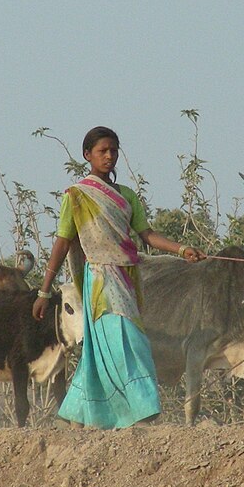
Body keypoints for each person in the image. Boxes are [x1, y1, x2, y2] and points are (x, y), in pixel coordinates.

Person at [32, 126, 206, 429]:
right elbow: (62, 242)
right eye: (103, 151)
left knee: (120, 343)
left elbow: (147, 236)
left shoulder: (127, 196)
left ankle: (81, 414)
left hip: (128, 279)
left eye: (114, 150)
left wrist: (183, 249)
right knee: (123, 341)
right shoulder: (76, 196)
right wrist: (44, 292)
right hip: (99, 280)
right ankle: (142, 410)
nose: (109, 156)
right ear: (88, 155)